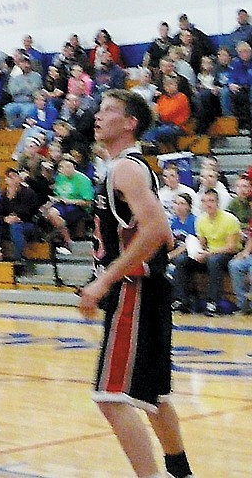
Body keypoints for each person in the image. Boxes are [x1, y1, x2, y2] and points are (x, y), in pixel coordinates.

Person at [78, 90, 195, 478]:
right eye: (99, 108)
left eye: (109, 110)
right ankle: (180, 470)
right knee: (154, 394)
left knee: (110, 397)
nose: (99, 115)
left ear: (131, 123)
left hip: (134, 289)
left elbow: (158, 231)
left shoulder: (126, 169)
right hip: (148, 289)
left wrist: (104, 281)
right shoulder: (119, 168)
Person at [170, 188, 241, 315]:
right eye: (204, 201)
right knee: (182, 260)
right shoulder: (201, 220)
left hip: (227, 254)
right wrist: (197, 253)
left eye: (211, 201)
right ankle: (182, 301)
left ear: (218, 203)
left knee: (214, 261)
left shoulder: (230, 219)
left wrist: (209, 253)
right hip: (209, 253)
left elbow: (232, 247)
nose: (208, 204)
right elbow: (202, 244)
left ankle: (212, 303)